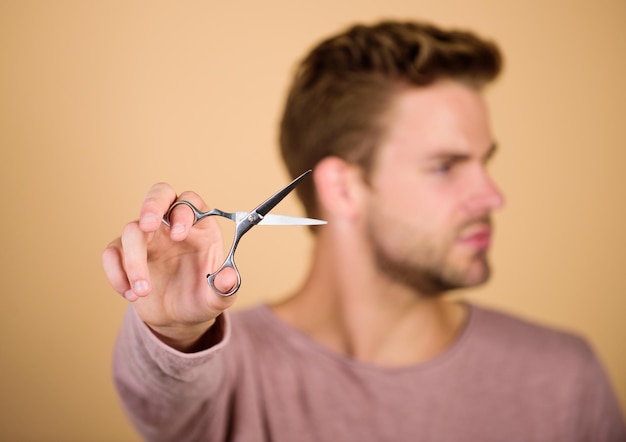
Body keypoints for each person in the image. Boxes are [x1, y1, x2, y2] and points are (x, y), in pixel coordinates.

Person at [102, 20, 626, 441]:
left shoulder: (561, 378)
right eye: (446, 166)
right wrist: (172, 332)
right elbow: (160, 393)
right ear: (344, 188)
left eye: (485, 163)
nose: (493, 197)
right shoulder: (226, 375)